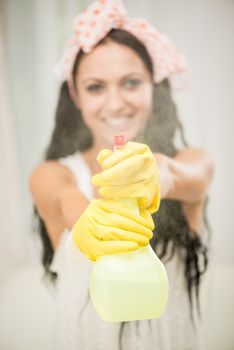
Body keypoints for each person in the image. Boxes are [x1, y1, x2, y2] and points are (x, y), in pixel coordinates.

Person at [29, 1, 214, 349]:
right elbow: (65, 198)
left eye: (131, 82)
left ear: (154, 88)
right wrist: (90, 223)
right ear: (76, 95)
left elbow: (190, 176)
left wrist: (160, 174)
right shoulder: (52, 175)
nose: (115, 104)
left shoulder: (192, 161)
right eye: (96, 87)